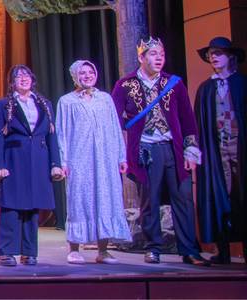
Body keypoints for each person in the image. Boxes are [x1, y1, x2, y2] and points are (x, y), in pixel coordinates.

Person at [112, 37, 210, 266]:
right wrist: (123, 145)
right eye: (153, 54)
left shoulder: (174, 83)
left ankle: (189, 250)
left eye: (162, 54)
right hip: (145, 150)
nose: (159, 58)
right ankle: (153, 248)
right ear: (141, 57)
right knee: (150, 199)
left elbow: (187, 117)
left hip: (173, 149)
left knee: (184, 199)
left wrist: (191, 150)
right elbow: (113, 119)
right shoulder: (125, 85)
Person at [55, 60, 132, 264]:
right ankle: (74, 249)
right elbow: (61, 133)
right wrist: (63, 161)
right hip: (79, 159)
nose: (88, 76)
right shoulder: (67, 101)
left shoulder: (105, 99)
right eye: (83, 73)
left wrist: (121, 156)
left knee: (105, 200)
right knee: (79, 199)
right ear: (75, 76)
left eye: (91, 72)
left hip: (105, 158)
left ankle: (103, 251)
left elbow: (115, 128)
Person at [0, 65, 62, 267]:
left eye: (27, 75)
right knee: (11, 205)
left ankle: (29, 252)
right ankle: (6, 251)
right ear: (12, 82)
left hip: (39, 158)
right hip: (14, 158)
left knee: (33, 205)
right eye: (18, 76)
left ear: (32, 79)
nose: (23, 78)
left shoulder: (44, 104)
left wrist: (55, 164)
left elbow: (51, 136)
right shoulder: (2, 105)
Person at [194, 37, 247, 265]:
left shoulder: (242, 84)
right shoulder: (207, 88)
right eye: (211, 53)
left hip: (240, 146)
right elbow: (199, 122)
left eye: (218, 52)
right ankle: (222, 250)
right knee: (219, 195)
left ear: (230, 56)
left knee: (242, 194)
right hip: (217, 148)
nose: (213, 57)